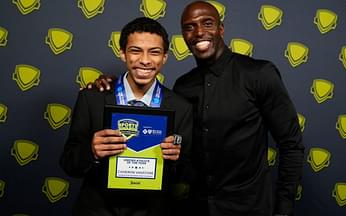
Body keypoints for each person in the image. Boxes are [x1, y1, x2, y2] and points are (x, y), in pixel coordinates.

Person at [91, 1, 305, 216]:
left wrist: (283, 209)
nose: (199, 32)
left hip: (250, 207)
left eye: (207, 23)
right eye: (190, 27)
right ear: (183, 36)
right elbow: (178, 155)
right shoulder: (183, 86)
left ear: (221, 29)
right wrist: (110, 85)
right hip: (197, 207)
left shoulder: (258, 74)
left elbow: (291, 144)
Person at [60, 17, 192, 216]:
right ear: (122, 53)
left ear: (165, 57)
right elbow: (69, 163)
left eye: (154, 52)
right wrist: (92, 151)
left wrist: (176, 159)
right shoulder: (92, 98)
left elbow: (188, 172)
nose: (145, 60)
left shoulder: (182, 107)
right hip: (96, 209)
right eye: (136, 50)